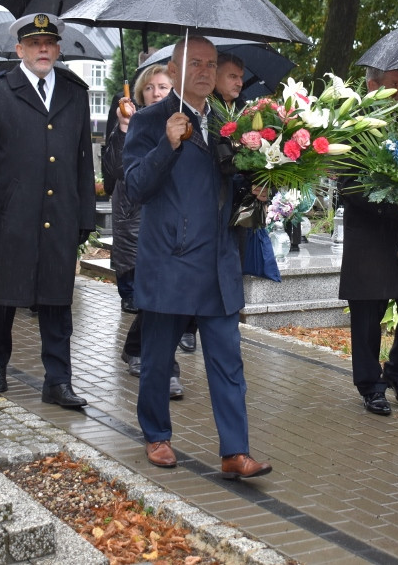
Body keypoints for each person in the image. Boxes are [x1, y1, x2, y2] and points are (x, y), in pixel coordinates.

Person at [122, 35, 271, 478]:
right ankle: (156, 435)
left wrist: (260, 187)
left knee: (227, 359)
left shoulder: (230, 120)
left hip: (219, 260)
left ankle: (235, 451)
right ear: (174, 66)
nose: (206, 72)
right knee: (157, 356)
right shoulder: (151, 120)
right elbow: (133, 187)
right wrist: (165, 145)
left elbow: (232, 185)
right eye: (196, 63)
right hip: (171, 258)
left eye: (211, 65)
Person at [0, 13, 96, 409]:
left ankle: (58, 381)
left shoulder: (75, 92)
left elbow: (82, 160)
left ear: (58, 48)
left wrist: (85, 217)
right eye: (34, 43)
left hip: (59, 216)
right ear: (19, 49)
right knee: (3, 297)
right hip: (11, 217)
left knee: (58, 300)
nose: (43, 49)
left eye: (49, 42)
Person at [338, 66, 398, 416]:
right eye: (395, 83)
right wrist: (393, 200)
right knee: (367, 316)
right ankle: (371, 385)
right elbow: (350, 187)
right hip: (369, 237)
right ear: (373, 85)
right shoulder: (351, 126)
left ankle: (397, 373)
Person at [105, 63, 186, 398]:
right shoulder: (131, 121)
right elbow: (113, 173)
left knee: (164, 298)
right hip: (135, 221)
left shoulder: (184, 121)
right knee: (151, 299)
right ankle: (164, 367)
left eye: (164, 87)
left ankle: (140, 349)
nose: (156, 92)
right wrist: (123, 131)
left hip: (172, 224)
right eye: (150, 87)